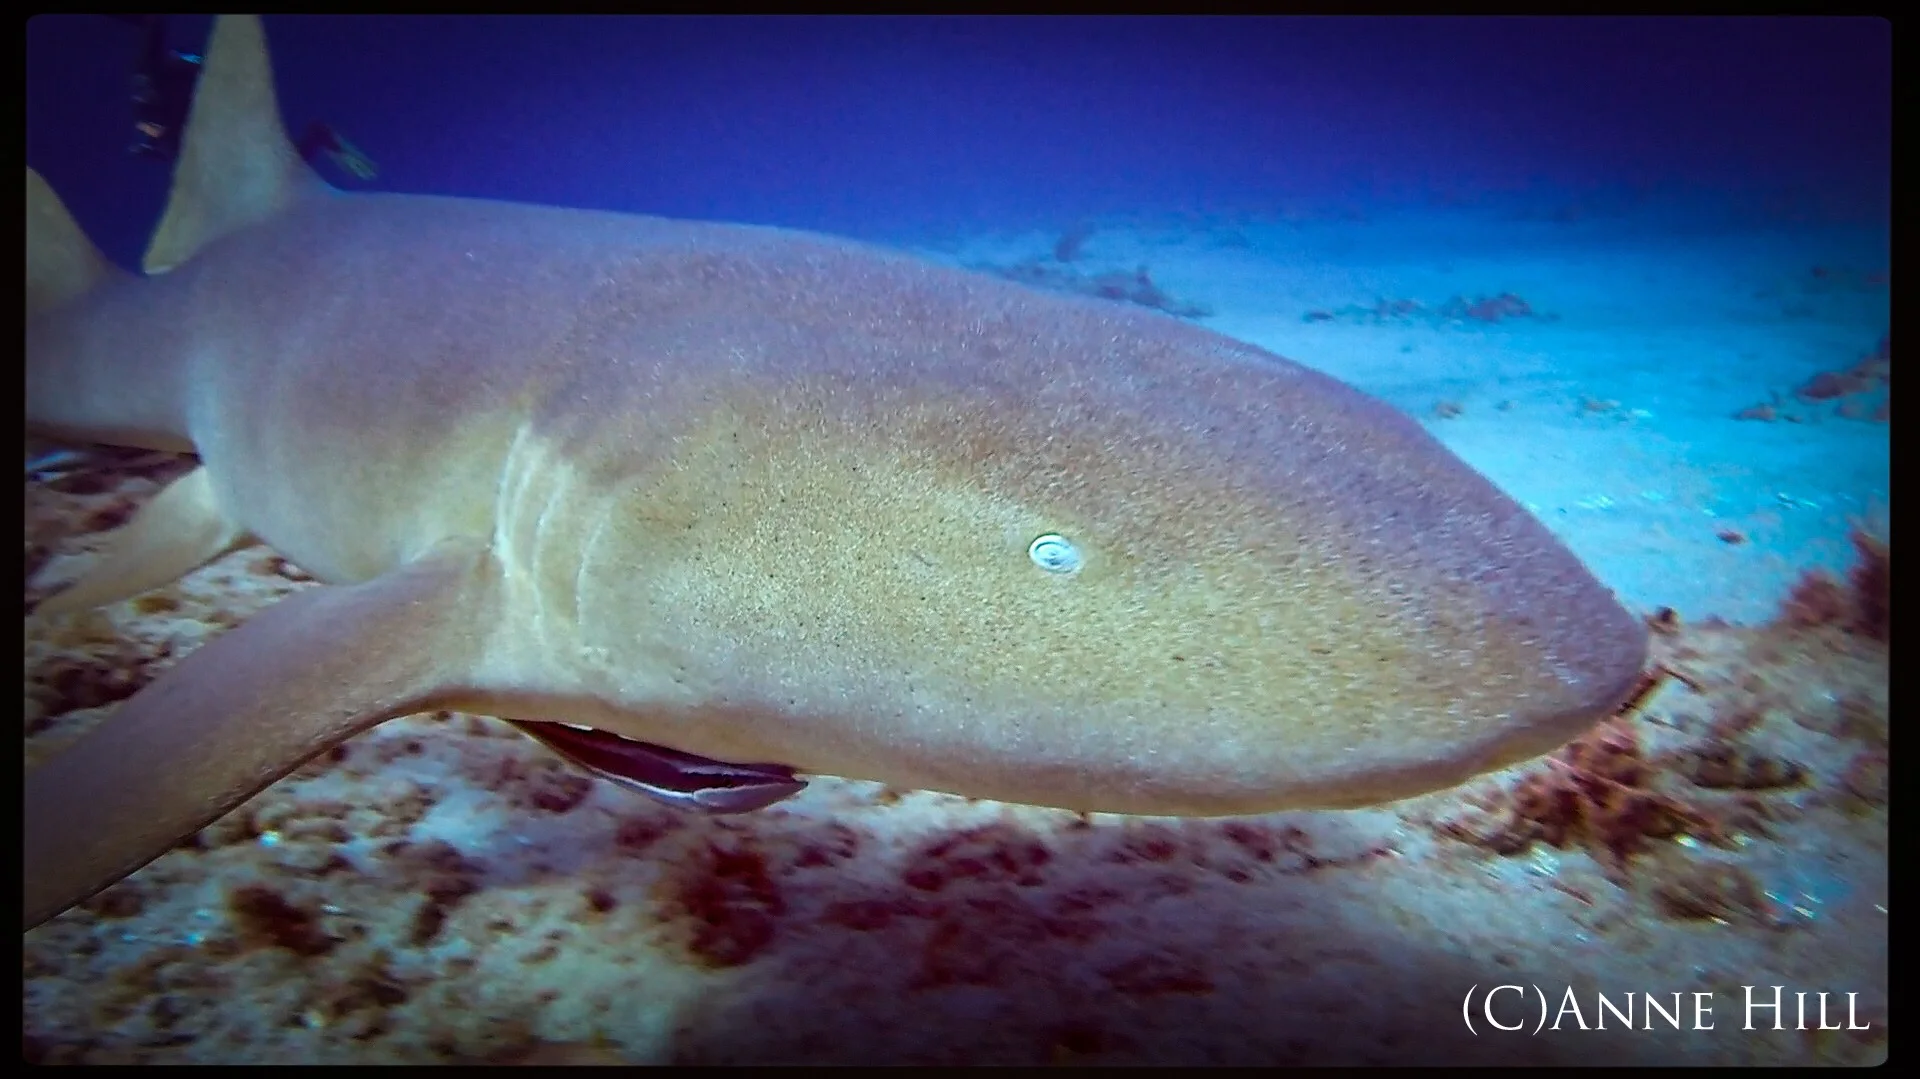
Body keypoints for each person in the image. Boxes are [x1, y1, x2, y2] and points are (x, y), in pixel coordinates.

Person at [113, 15, 377, 180]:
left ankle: (319, 136)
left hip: (200, 101)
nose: (145, 129)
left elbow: (155, 27)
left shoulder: (159, 87)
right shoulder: (163, 112)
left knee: (271, 174)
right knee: (272, 173)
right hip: (197, 106)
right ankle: (319, 136)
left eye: (148, 129)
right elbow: (154, 25)